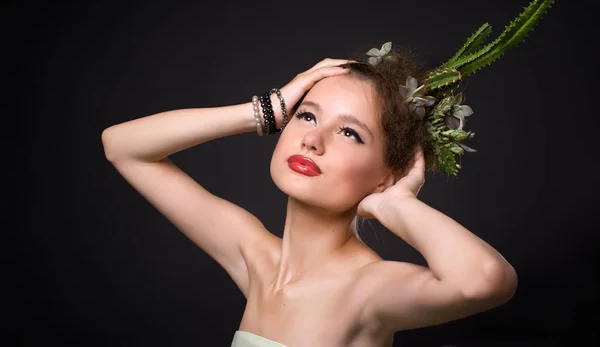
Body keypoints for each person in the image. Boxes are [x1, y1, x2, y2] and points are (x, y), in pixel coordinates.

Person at [101, 51, 517, 347]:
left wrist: (396, 203)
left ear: (387, 174)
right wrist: (267, 109)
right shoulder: (256, 258)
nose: (312, 141)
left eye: (349, 132)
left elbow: (485, 280)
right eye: (307, 115)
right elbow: (122, 146)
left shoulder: (367, 290)